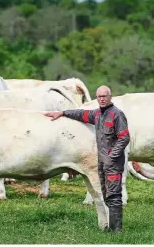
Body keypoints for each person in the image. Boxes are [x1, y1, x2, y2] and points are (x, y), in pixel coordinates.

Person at [44, 85, 130, 233]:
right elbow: (81, 114)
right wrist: (63, 113)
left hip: (113, 163)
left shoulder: (117, 115)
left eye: (104, 96)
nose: (102, 99)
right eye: (99, 97)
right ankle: (110, 227)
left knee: (114, 196)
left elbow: (124, 138)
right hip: (102, 162)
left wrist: (112, 156)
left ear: (110, 97)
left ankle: (117, 231)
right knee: (106, 195)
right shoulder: (97, 114)